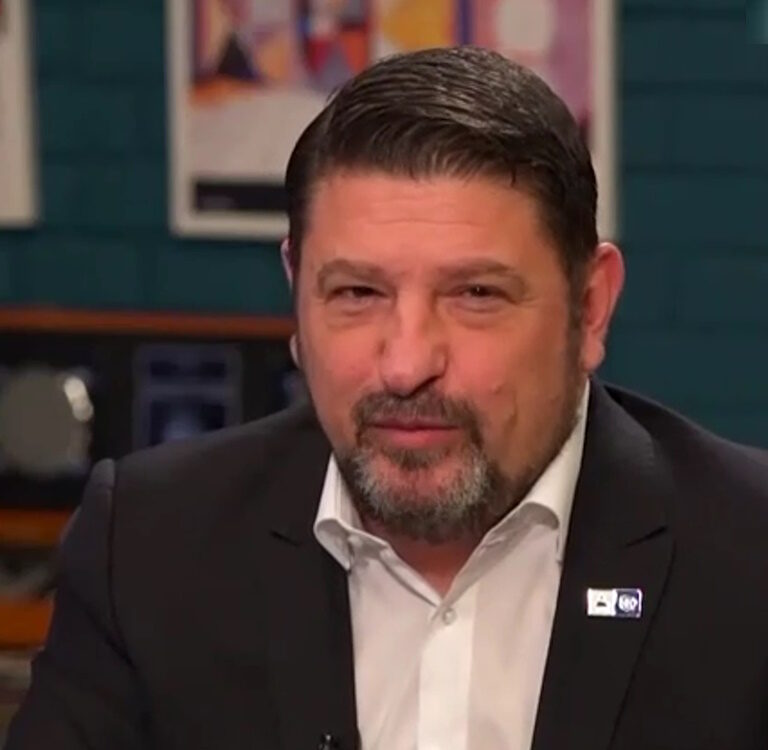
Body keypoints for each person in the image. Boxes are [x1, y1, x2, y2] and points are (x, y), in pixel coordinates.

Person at [6, 46, 768, 750]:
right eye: (357, 293)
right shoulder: (149, 547)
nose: (405, 366)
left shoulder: (747, 556)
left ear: (590, 307)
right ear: (297, 293)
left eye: (475, 294)